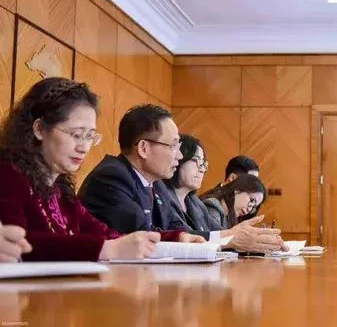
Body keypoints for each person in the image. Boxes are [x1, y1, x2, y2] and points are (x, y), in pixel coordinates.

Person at [0, 78, 193, 261]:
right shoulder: (9, 174)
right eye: (76, 135)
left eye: (90, 136)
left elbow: (104, 233)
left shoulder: (60, 190)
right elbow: (19, 245)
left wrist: (176, 238)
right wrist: (107, 249)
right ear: (40, 129)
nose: (84, 147)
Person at [80, 105, 284, 253]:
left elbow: (178, 230)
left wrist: (231, 236)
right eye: (173, 146)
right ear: (144, 148)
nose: (179, 155)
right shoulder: (112, 177)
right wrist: (228, 239)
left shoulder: (156, 183)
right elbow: (144, 235)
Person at [162, 134, 226, 235]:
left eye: (204, 163)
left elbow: (221, 233)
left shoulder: (196, 203)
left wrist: (240, 234)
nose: (202, 169)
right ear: (178, 159)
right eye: (197, 160)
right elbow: (187, 235)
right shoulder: (162, 196)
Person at [201, 174, 266, 229]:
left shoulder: (229, 217)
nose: (249, 209)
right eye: (252, 200)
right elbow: (216, 241)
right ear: (238, 189)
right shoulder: (213, 206)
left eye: (253, 207)